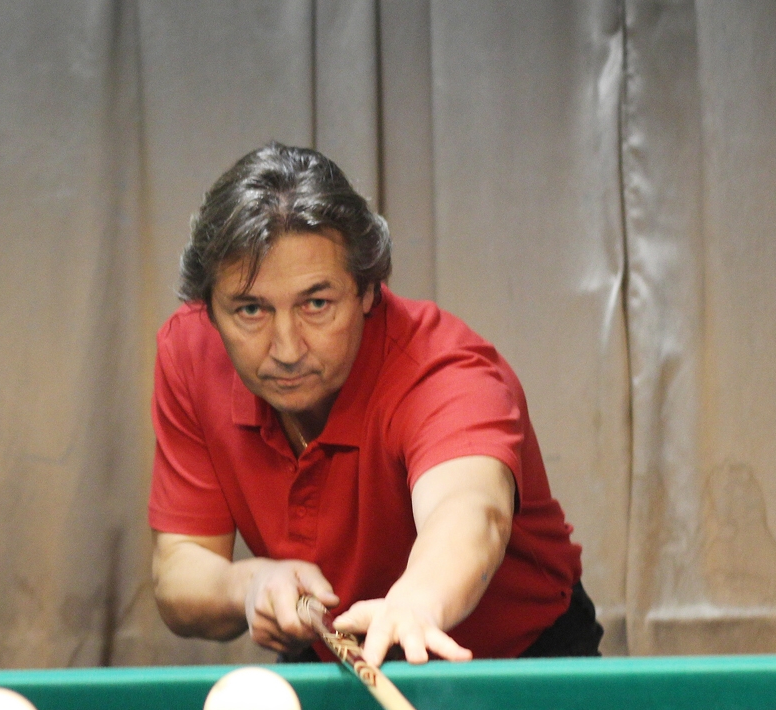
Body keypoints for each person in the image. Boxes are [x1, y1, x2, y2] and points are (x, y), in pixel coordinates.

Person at [150, 143, 600, 666]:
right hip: (338, 650)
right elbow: (179, 569)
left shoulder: (443, 370)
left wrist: (418, 601)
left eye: (316, 303)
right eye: (251, 310)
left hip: (516, 659)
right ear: (209, 308)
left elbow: (471, 512)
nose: (287, 349)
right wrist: (248, 584)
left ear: (368, 290)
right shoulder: (192, 353)